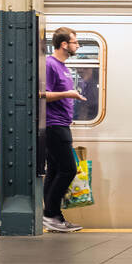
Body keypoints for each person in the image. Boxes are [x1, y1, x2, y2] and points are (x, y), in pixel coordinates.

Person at [42, 27, 87, 233]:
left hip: (61, 124)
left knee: (54, 170)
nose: (77, 45)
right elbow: (43, 94)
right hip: (54, 124)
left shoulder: (64, 67)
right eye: (75, 42)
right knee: (68, 169)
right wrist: (69, 94)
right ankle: (50, 214)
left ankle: (53, 216)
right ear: (64, 44)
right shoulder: (51, 65)